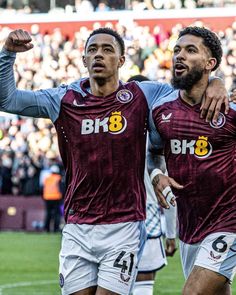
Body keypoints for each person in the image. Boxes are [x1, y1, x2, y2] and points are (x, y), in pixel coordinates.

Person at [0, 27, 229, 295]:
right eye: (92, 50)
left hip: (125, 226)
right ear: (84, 59)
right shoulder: (64, 99)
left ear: (121, 60)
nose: (99, 55)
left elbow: (191, 85)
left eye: (108, 49)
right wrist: (7, 55)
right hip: (77, 225)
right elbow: (8, 99)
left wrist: (218, 81)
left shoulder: (143, 95)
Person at [148, 26, 236, 295]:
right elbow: (153, 154)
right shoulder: (162, 110)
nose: (179, 56)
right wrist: (156, 175)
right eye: (176, 50)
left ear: (210, 64)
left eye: (190, 50)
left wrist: (219, 81)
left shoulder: (230, 113)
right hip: (190, 224)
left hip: (228, 220)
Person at [127, 75, 177, 295]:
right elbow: (167, 189)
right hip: (148, 216)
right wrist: (172, 234)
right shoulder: (159, 134)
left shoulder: (115, 130)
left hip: (117, 215)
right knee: (144, 281)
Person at [43, 164, 63, 232]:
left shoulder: (47, 178)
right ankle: (55, 228)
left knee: (48, 213)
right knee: (57, 214)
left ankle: (47, 228)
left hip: (47, 197)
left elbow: (43, 188)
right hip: (56, 197)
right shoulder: (59, 178)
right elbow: (62, 188)